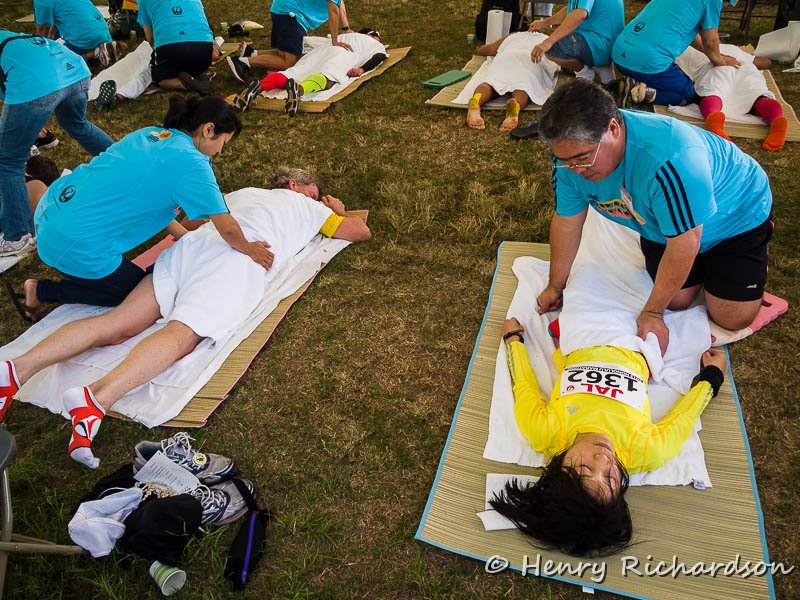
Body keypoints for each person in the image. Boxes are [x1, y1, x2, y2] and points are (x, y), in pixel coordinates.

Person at [0, 167, 370, 468]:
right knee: (182, 334)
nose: (318, 196)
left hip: (191, 250)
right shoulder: (309, 207)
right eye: (315, 191)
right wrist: (336, 209)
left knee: (118, 324)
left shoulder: (242, 194)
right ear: (295, 185)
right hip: (234, 261)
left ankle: (17, 368)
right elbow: (359, 231)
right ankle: (97, 397)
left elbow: (194, 223)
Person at [535, 79, 773, 354]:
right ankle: (709, 269)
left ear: (612, 129)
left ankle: (752, 257)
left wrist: (653, 313)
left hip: (735, 218)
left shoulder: (671, 158)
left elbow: (685, 242)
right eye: (566, 161)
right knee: (677, 301)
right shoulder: (567, 160)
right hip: (664, 225)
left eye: (583, 158)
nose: (575, 169)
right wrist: (555, 286)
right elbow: (567, 222)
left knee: (731, 318)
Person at [9, 95, 271, 322]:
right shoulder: (193, 164)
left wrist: (184, 236)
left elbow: (150, 202)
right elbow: (227, 227)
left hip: (49, 215)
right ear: (208, 130)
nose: (220, 151)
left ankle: (68, 276)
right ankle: (42, 291)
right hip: (72, 243)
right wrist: (249, 249)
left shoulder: (151, 134)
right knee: (139, 294)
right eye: (224, 143)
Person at [489, 317, 726, 556]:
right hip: (639, 340)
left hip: (582, 332)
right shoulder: (647, 450)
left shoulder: (543, 431)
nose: (603, 459)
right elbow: (685, 416)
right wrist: (713, 376)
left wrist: (512, 339)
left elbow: (524, 385)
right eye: (611, 478)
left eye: (584, 468)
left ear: (558, 467)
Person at [0, 31, 114, 258]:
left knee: (8, 160)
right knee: (77, 124)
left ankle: (17, 236)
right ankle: (125, 164)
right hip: (76, 70)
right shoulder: (8, 37)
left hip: (39, 81)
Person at [612, 0, 741, 106]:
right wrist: (720, 60)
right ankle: (638, 93)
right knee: (688, 93)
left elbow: (689, 34)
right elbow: (710, 42)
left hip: (619, 56)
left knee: (666, 77)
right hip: (647, 62)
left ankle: (635, 84)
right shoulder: (714, 1)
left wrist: (714, 54)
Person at [232, 28, 387, 114]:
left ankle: (258, 87)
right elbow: (379, 57)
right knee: (327, 79)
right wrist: (361, 69)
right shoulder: (375, 44)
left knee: (292, 73)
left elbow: (314, 42)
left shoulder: (345, 36)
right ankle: (299, 91)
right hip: (343, 54)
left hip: (321, 51)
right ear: (372, 35)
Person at [674, 45, 788, 151]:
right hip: (745, 69)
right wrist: (747, 57)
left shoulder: (689, 48)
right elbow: (766, 62)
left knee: (713, 92)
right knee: (758, 96)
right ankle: (777, 120)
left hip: (715, 68)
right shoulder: (734, 49)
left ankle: (714, 122)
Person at [226, 0, 351, 79]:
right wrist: (335, 41)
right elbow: (333, 10)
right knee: (290, 62)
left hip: (283, 8)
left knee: (286, 51)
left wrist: (346, 29)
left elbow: (339, 3)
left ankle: (251, 53)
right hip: (291, 14)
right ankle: (242, 62)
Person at [465, 32, 560, 132]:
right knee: (523, 86)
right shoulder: (549, 39)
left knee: (490, 82)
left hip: (507, 56)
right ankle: (515, 105)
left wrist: (478, 50)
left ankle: (476, 100)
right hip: (531, 59)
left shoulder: (514, 35)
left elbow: (490, 49)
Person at [528, 0, 624, 84]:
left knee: (552, 49)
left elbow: (579, 13)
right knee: (560, 41)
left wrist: (549, 41)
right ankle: (602, 68)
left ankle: (586, 74)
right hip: (609, 42)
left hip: (601, 43)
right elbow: (572, 10)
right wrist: (544, 23)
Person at [137, 0, 215, 94]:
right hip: (205, 47)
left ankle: (187, 84)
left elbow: (150, 39)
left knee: (160, 79)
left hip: (171, 48)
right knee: (188, 61)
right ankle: (198, 73)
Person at [33, 0, 117, 66]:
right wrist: (51, 34)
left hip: (86, 36)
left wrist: (43, 52)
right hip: (103, 31)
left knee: (59, 61)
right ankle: (102, 47)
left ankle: (94, 53)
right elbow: (65, 11)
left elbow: (41, 29)